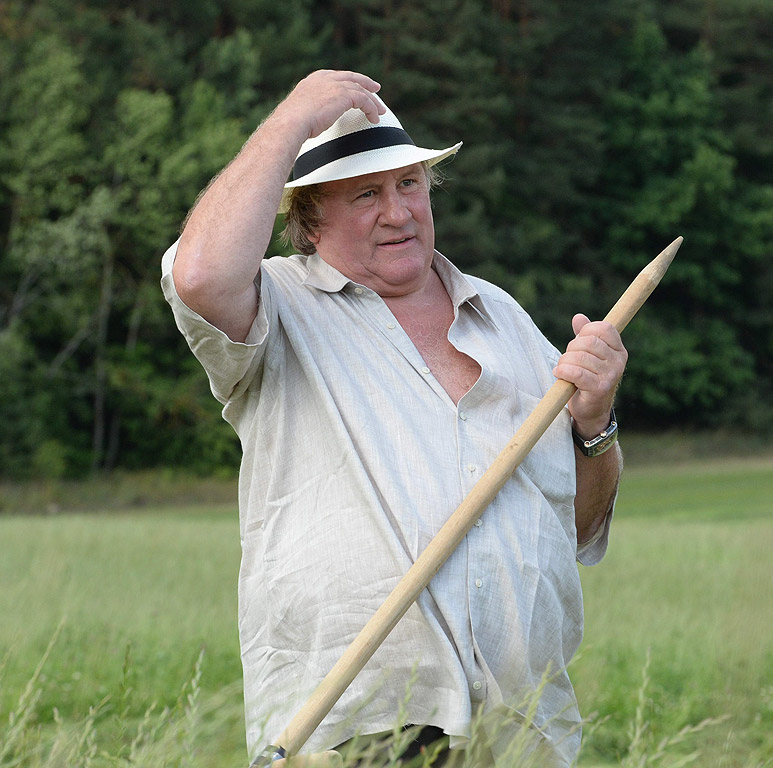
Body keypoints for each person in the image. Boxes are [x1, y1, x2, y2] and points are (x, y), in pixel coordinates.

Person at [160, 70, 626, 766]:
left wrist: (594, 425)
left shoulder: (505, 320)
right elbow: (199, 277)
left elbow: (582, 525)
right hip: (357, 722)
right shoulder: (278, 307)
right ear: (309, 219)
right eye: (365, 194)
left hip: (521, 729)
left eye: (408, 184)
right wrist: (289, 122)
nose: (398, 211)